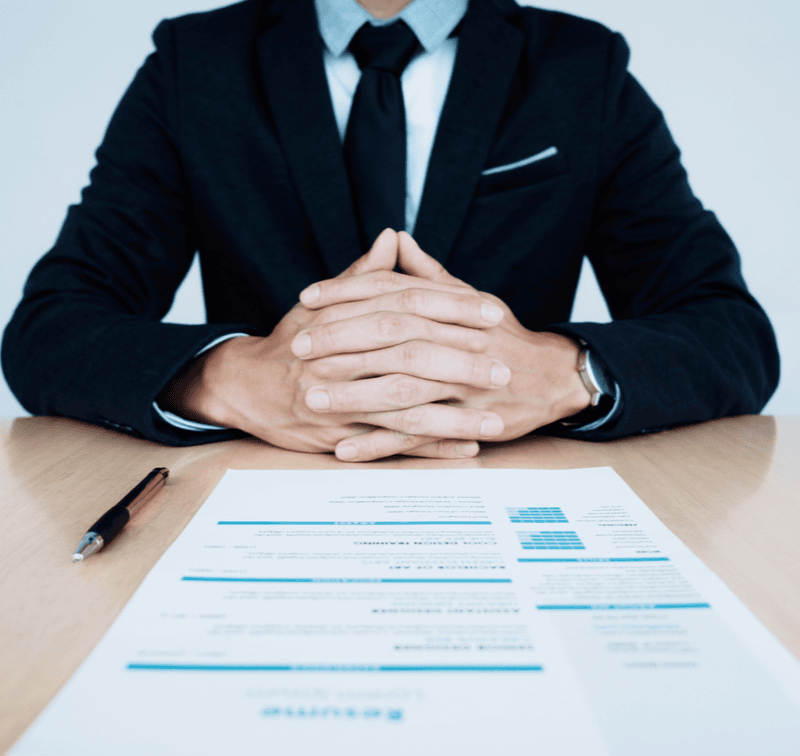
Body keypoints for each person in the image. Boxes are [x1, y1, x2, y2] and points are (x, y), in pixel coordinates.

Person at [1, 0, 779, 462]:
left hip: (507, 493)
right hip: (261, 500)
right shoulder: (193, 63)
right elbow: (50, 329)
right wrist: (232, 379)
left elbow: (732, 332)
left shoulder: (582, 67)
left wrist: (560, 373)